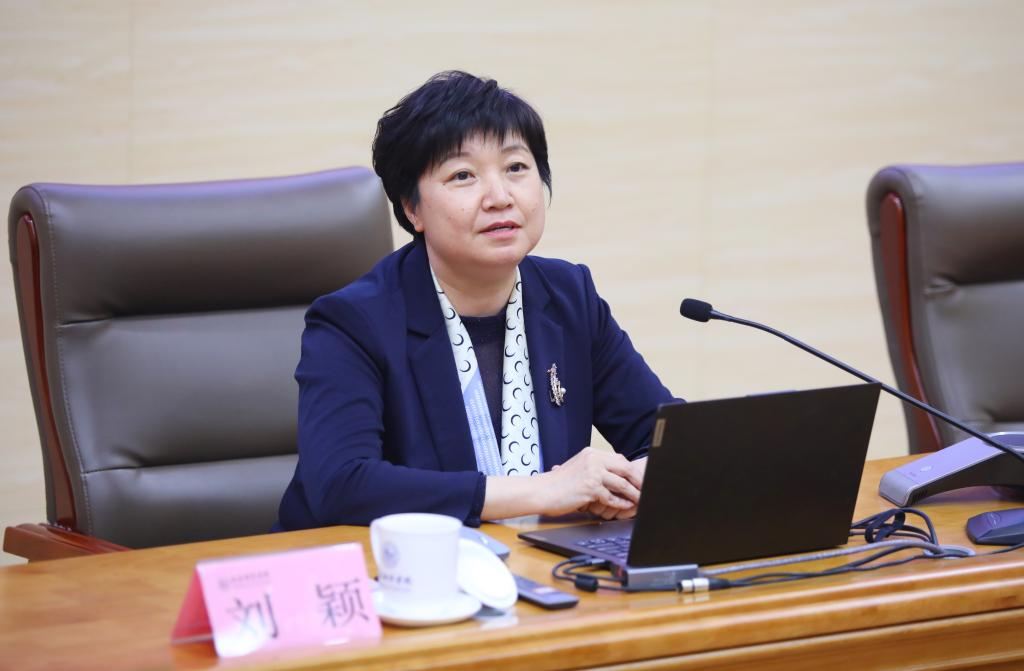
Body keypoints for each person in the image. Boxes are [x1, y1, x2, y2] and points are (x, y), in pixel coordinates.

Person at [276, 71, 677, 530]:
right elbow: (342, 485)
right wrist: (545, 490)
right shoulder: (354, 321)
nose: (500, 197)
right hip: (388, 567)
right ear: (412, 208)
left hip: (536, 563)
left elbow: (665, 437)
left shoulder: (569, 297)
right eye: (463, 175)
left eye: (516, 168)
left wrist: (635, 481)